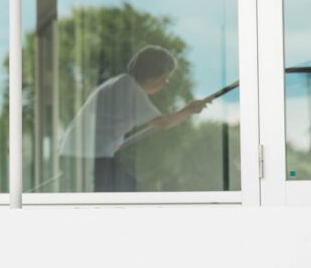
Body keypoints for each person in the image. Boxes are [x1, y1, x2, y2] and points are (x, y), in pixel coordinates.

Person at [58, 45, 209, 192]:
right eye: (165, 77)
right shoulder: (129, 88)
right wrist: (189, 110)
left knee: (125, 185)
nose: (166, 83)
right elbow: (163, 123)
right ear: (153, 75)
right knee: (128, 187)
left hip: (76, 153)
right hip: (87, 156)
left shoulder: (120, 83)